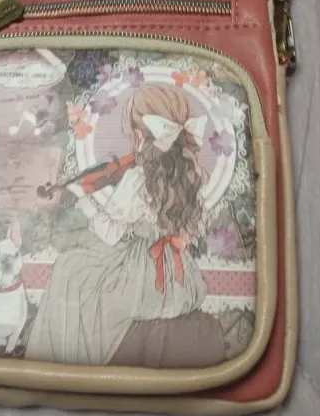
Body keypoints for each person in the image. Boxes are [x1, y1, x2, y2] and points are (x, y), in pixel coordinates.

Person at [24, 83, 226, 367]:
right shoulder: (189, 177)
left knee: (69, 268)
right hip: (180, 280)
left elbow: (108, 233)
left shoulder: (137, 179)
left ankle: (53, 364)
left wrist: (83, 199)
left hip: (141, 279)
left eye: (133, 135)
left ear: (140, 137)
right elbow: (191, 228)